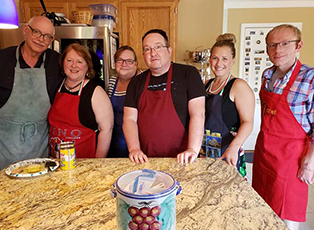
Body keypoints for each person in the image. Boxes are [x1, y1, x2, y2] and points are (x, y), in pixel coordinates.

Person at [252, 24, 314, 230]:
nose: (278, 50)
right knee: (262, 206)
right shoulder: (267, 75)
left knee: (286, 216)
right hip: (264, 153)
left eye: (285, 44)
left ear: (299, 46)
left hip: (291, 159)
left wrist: (309, 162)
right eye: (272, 45)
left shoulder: (310, 79)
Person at [0, 16, 63, 173]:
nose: (41, 39)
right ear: (26, 30)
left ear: (51, 40)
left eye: (47, 36)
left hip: (39, 145)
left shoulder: (56, 62)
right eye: (37, 32)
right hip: (3, 146)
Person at [123, 29, 206, 164]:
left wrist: (192, 149)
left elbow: (198, 114)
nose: (153, 53)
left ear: (169, 50)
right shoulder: (136, 82)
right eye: (147, 49)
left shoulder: (188, 74)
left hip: (183, 158)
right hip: (145, 159)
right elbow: (129, 119)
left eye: (158, 47)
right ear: (143, 54)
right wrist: (134, 149)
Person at [48, 43, 113, 158]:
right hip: (56, 160)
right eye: (69, 60)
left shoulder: (95, 92)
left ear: (87, 66)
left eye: (80, 61)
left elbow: (106, 129)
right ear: (63, 63)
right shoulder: (55, 86)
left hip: (85, 162)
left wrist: (98, 163)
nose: (74, 65)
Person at [203, 33, 254, 178]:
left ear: (233, 60)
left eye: (224, 59)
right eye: (215, 58)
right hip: (205, 150)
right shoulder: (207, 84)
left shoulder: (238, 86)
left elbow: (248, 122)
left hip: (227, 150)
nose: (219, 63)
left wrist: (234, 147)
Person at [107, 45, 139, 157]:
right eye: (120, 60)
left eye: (129, 61)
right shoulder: (112, 81)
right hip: (113, 142)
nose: (124, 64)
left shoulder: (142, 83)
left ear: (136, 64)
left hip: (137, 146)